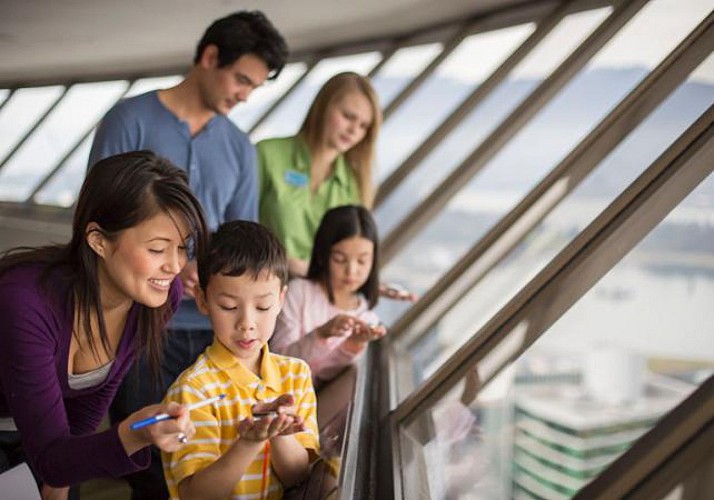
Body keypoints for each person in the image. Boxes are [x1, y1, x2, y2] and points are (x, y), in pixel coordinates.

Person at [88, 11, 288, 498]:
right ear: (209, 56)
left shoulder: (240, 149)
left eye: (254, 87)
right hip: (140, 325)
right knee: (150, 464)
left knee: (212, 459)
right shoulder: (129, 119)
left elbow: (241, 240)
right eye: (241, 79)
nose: (244, 94)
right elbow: (99, 218)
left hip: (210, 330)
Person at [0, 151, 208, 499]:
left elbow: (92, 399)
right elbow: (53, 457)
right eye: (157, 249)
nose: (175, 266)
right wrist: (134, 433)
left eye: (182, 247)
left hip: (40, 438)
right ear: (98, 240)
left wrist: (59, 480)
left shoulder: (157, 296)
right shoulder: (25, 303)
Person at [161, 220, 319, 499]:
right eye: (229, 306)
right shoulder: (194, 390)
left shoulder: (295, 374)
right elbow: (197, 495)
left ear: (281, 299)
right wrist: (247, 443)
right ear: (202, 300)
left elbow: (298, 475)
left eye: (263, 306)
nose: (247, 323)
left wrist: (279, 431)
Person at [257, 72, 382, 278]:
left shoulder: (355, 184)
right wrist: (283, 262)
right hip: (260, 286)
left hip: (317, 298)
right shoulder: (267, 154)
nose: (354, 130)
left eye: (363, 126)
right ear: (323, 107)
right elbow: (238, 225)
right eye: (348, 117)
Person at [270, 205, 387, 387]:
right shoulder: (299, 292)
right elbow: (278, 361)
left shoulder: (366, 317)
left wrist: (351, 346)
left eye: (362, 261)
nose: (351, 271)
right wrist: (321, 334)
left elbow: (323, 377)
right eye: (340, 259)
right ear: (322, 255)